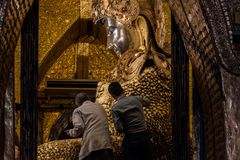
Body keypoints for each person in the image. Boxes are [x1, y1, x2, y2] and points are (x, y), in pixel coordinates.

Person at [108, 81, 153, 160]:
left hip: (131, 139)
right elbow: (148, 102)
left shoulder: (115, 108)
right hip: (144, 136)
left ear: (112, 95)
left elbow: (120, 128)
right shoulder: (136, 99)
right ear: (123, 90)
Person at [65, 93, 113, 160]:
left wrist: (70, 132)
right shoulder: (100, 107)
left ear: (78, 104)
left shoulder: (78, 110)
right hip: (107, 144)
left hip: (92, 146)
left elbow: (79, 128)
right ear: (89, 99)